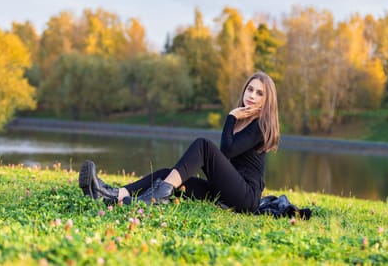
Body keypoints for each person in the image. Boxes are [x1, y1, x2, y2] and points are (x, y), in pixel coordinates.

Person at [79, 71, 280, 213]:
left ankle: (156, 197)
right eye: (250, 89)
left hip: (245, 198)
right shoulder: (243, 121)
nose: (252, 95)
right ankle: (112, 195)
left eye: (259, 93)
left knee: (203, 145)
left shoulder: (260, 125)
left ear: (267, 100)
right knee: (165, 174)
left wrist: (231, 116)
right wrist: (235, 119)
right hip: (226, 191)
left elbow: (226, 150)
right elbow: (227, 154)